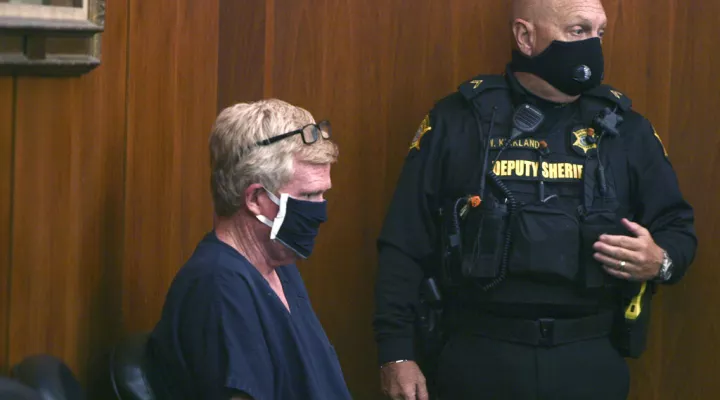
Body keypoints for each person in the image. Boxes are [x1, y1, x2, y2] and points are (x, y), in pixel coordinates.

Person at [373, 0, 697, 399]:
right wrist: (396, 353)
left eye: (600, 32)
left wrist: (659, 260)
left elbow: (678, 230)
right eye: (578, 31)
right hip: (478, 356)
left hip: (589, 357)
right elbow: (403, 245)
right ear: (526, 36)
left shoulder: (626, 130)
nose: (593, 45)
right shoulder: (458, 119)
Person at [145, 99, 352, 400]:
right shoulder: (218, 287)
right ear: (255, 198)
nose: (321, 211)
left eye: (322, 194)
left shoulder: (280, 265)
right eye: (308, 195)